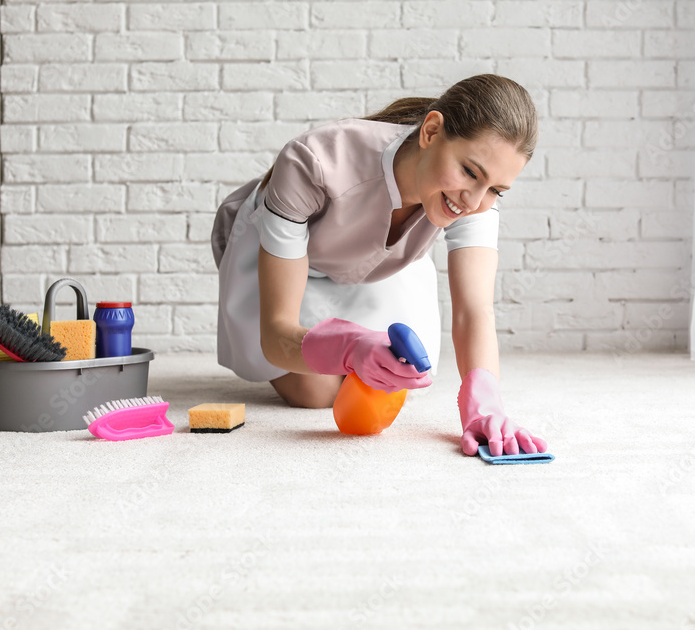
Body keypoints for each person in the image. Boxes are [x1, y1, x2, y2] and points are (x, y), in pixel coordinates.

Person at [211, 74, 547, 457]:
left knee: (395, 373)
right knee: (314, 393)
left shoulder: (474, 196)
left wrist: (485, 407)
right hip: (281, 254)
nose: (473, 200)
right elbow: (275, 336)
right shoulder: (313, 162)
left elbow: (474, 310)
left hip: (373, 262)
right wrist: (350, 346)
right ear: (432, 131)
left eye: (496, 190)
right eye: (470, 172)